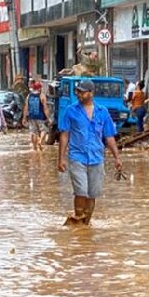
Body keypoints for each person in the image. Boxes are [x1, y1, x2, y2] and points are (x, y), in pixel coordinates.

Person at [57, 79, 123, 225]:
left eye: (81, 92)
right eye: (77, 91)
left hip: (96, 157)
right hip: (77, 156)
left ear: (91, 93)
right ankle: (78, 217)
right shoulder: (70, 110)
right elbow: (65, 135)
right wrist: (60, 158)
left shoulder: (102, 112)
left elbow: (109, 136)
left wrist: (117, 158)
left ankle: (85, 224)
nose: (78, 94)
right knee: (81, 191)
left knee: (92, 194)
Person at [24, 81, 50, 152]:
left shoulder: (29, 96)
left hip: (31, 117)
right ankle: (40, 141)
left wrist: (24, 118)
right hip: (40, 117)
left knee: (33, 132)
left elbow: (26, 107)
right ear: (39, 88)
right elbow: (45, 108)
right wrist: (48, 118)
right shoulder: (42, 96)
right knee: (44, 130)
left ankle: (34, 148)